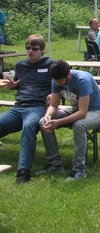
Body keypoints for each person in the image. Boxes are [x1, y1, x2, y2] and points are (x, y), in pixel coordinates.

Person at [37, 60, 100, 181]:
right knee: (42, 122)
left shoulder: (83, 80)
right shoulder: (56, 80)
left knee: (79, 125)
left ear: (69, 75)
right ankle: (55, 164)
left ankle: (79, 169)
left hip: (97, 112)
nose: (58, 84)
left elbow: (82, 112)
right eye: (56, 81)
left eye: (60, 81)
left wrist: (58, 122)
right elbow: (54, 106)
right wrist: (48, 116)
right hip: (76, 109)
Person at [0, 34, 55, 184]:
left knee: (29, 127)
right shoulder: (20, 65)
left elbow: (62, 83)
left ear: (42, 50)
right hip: (19, 107)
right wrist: (14, 86)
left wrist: (53, 94)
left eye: (34, 49)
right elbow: (21, 83)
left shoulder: (51, 65)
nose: (30, 51)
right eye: (28, 48)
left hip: (37, 107)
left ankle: (23, 172)